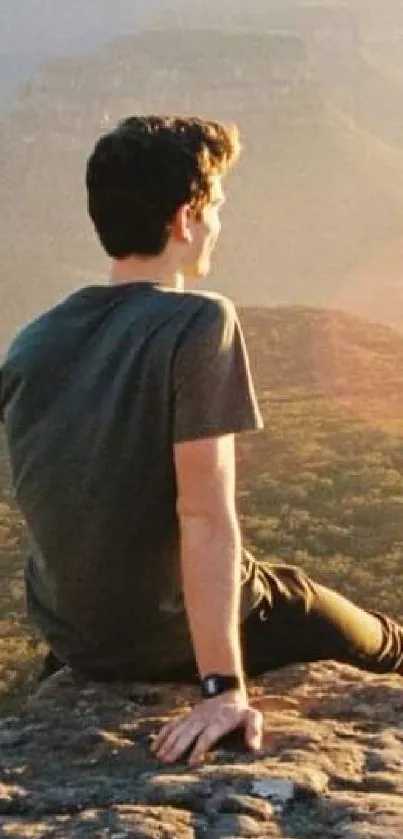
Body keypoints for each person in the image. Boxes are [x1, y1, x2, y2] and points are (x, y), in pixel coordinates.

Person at [1, 116, 402, 767]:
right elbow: (203, 513)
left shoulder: (31, 340)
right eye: (214, 206)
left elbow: (62, 494)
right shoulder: (198, 320)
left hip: (78, 644)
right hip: (174, 633)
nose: (217, 222)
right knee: (382, 643)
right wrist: (221, 687)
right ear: (185, 219)